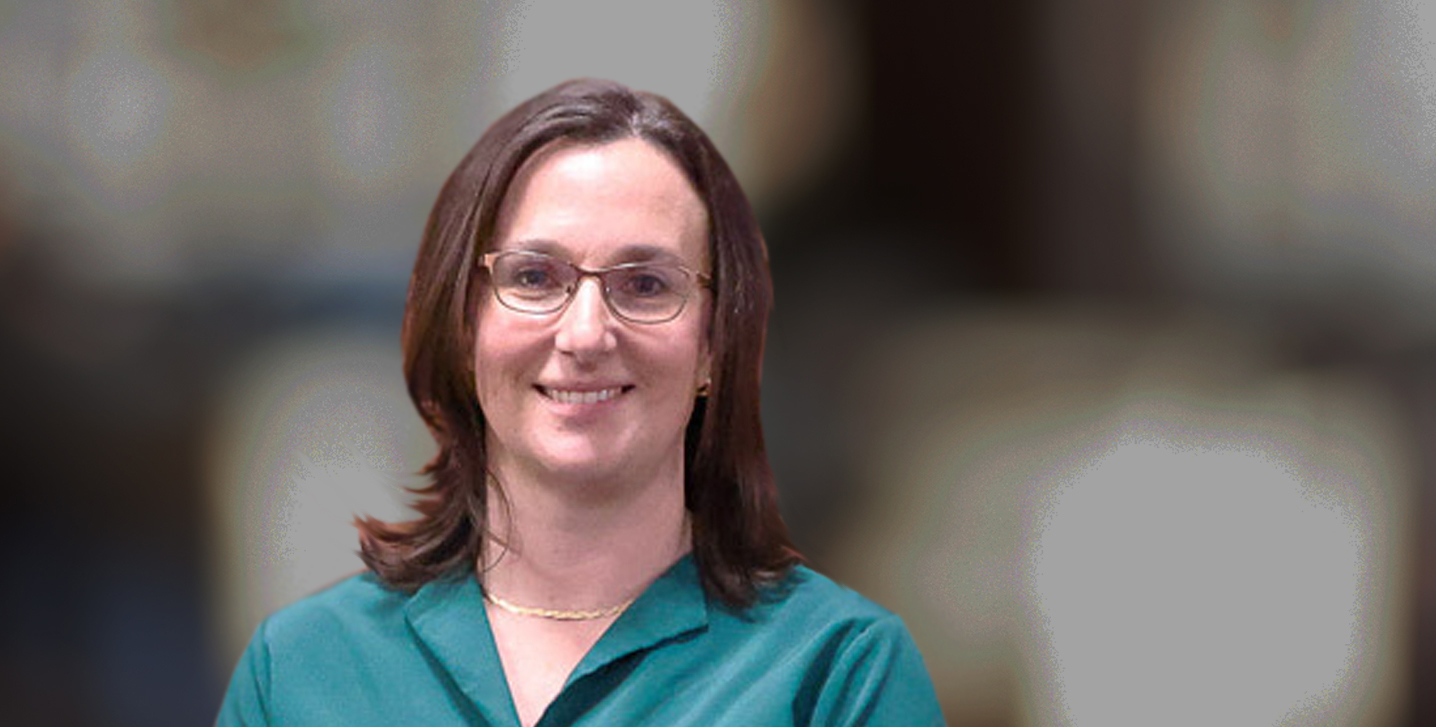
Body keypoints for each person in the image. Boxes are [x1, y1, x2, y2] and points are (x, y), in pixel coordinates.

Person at [216, 78, 945, 726]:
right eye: (535, 278)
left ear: (714, 345)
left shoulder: (838, 673)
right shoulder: (302, 667)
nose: (586, 333)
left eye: (645, 285)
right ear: (463, 326)